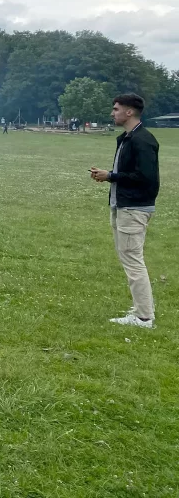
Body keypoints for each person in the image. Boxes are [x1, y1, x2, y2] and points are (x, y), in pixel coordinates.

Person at [90, 94, 160, 329]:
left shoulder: (142, 140)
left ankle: (143, 318)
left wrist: (111, 176)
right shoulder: (128, 138)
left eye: (116, 109)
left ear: (129, 112)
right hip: (122, 205)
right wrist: (109, 174)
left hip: (133, 208)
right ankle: (143, 309)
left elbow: (146, 178)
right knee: (129, 258)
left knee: (133, 260)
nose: (112, 113)